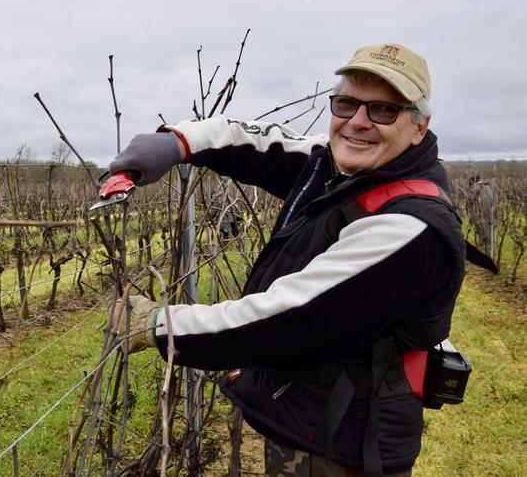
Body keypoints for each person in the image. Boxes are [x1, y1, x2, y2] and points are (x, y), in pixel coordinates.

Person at [110, 43, 465, 477]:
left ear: (419, 125)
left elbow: (283, 317)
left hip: (342, 449)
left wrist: (156, 325)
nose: (358, 122)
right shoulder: (345, 166)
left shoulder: (411, 230)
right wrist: (177, 142)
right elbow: (262, 142)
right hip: (313, 418)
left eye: (383, 111)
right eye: (347, 103)